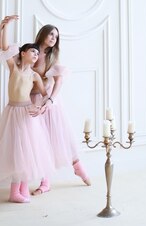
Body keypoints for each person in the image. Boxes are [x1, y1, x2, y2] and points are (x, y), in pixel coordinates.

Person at [0, 15, 55, 203]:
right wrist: (4, 26)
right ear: (22, 54)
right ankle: (14, 192)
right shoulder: (14, 68)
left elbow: (45, 95)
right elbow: (3, 48)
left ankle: (23, 188)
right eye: (31, 52)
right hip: (12, 112)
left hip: (26, 113)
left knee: (26, 151)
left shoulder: (34, 76)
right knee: (16, 150)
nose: (35, 55)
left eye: (36, 53)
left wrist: (43, 107)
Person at [30, 24, 90, 195]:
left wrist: (50, 100)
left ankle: (78, 166)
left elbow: (59, 81)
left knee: (59, 136)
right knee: (40, 141)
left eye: (56, 36)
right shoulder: (31, 51)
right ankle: (45, 181)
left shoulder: (52, 57)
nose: (53, 38)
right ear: (42, 34)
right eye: (50, 34)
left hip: (48, 100)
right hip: (31, 100)